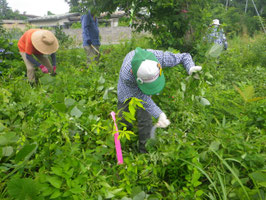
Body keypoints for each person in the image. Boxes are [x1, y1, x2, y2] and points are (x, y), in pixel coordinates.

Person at [117, 47, 202, 153]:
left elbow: (184, 56)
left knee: (145, 119)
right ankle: (124, 146)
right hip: (126, 92)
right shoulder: (127, 75)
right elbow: (143, 99)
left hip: (142, 83)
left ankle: (145, 152)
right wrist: (160, 114)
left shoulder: (157, 58)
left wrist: (190, 68)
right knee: (123, 117)